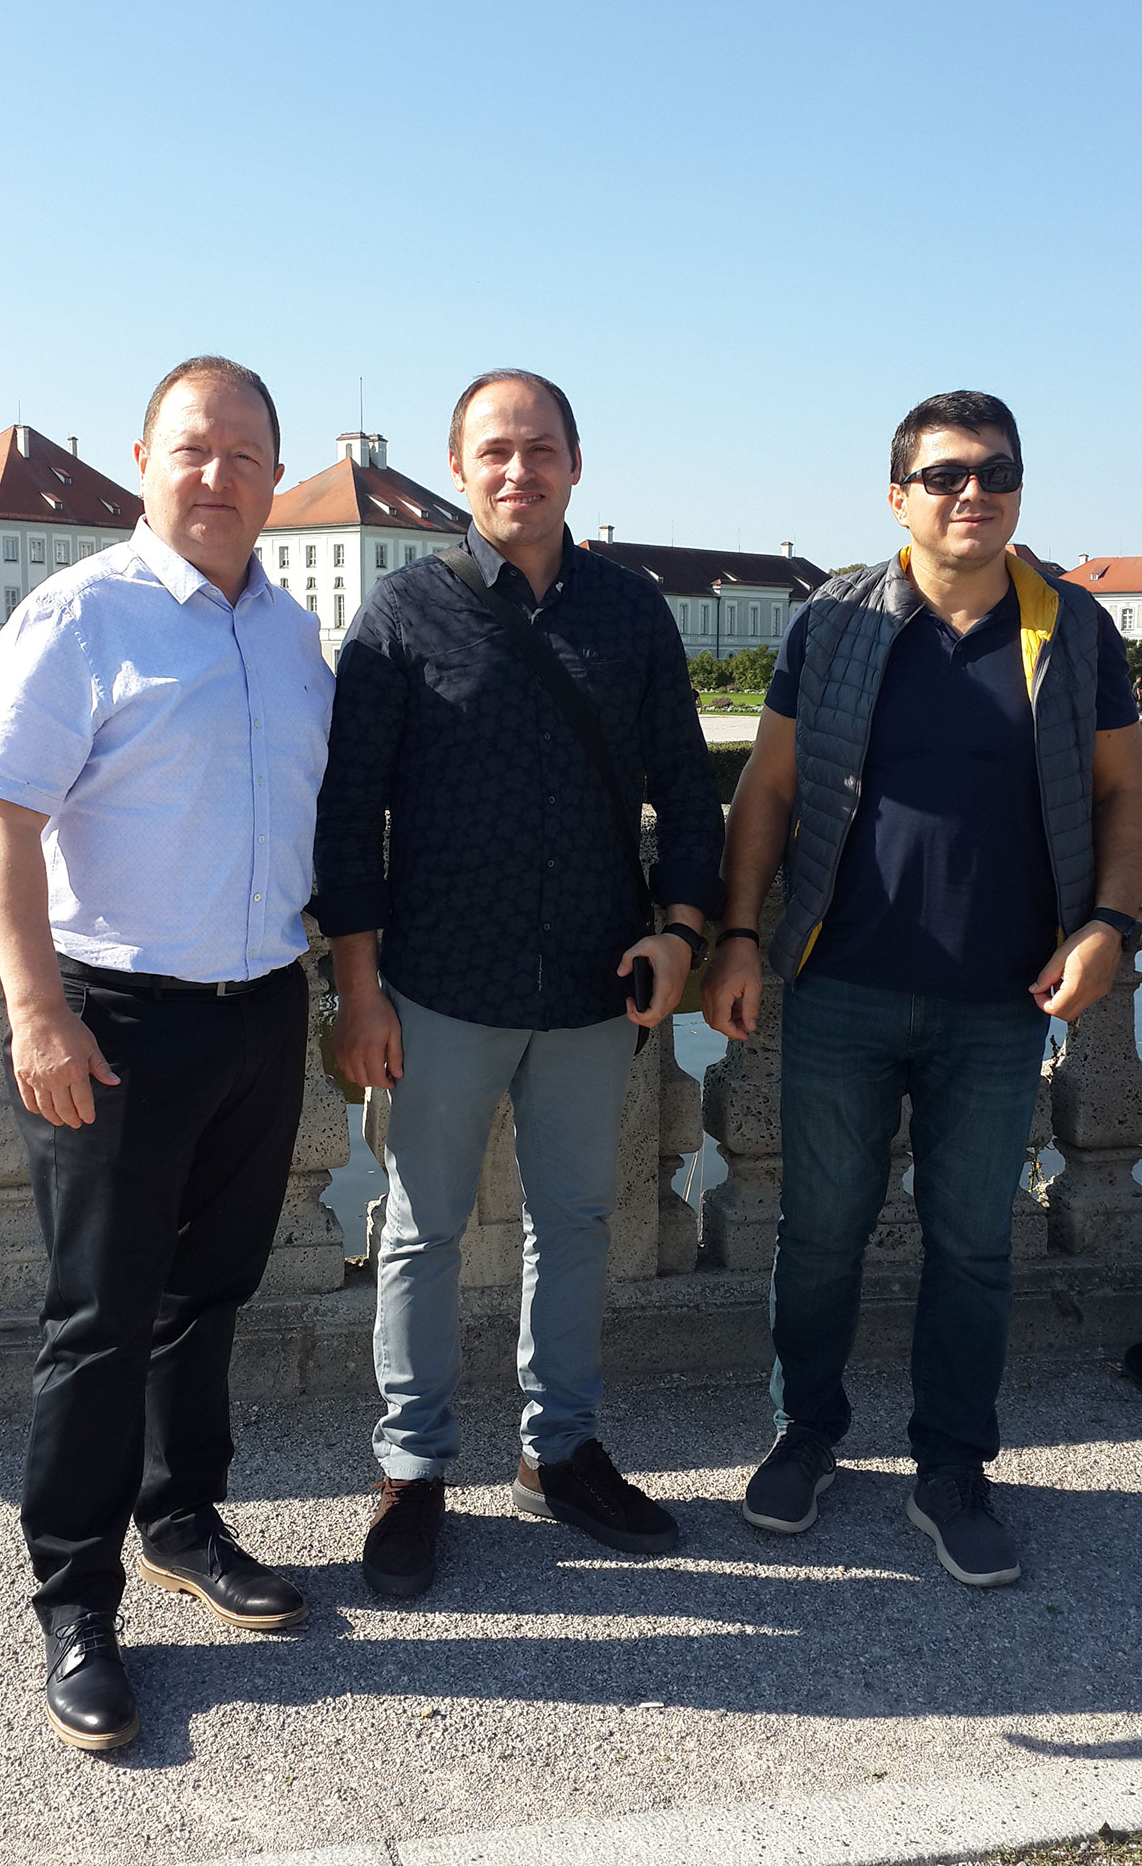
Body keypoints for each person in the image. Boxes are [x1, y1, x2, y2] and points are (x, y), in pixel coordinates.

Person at [701, 390, 1142, 1588]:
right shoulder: (835, 620)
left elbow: (1123, 791)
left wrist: (1110, 925)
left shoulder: (1071, 628)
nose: (972, 492)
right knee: (818, 1234)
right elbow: (768, 789)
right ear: (898, 498)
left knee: (973, 1245)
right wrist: (736, 934)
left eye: (995, 471)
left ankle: (952, 1466)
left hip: (1004, 996)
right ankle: (806, 1432)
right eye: (945, 475)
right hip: (840, 981)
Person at [0, 356, 334, 1750]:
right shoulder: (79, 615)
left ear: (275, 474)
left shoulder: (292, 634)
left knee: (208, 1292)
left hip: (259, 1006)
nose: (218, 475)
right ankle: (75, 1599)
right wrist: (36, 1013)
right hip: (111, 1018)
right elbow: (0, 816)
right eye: (194, 448)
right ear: (144, 460)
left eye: (246, 454)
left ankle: (182, 1520)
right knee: (99, 1321)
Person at [314, 368, 723, 1597]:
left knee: (577, 1223)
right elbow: (348, 817)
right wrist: (359, 987)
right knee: (420, 1232)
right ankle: (412, 1469)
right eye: (494, 450)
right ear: (459, 469)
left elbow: (686, 789)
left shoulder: (631, 612)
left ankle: (561, 1453)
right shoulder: (402, 613)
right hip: (440, 981)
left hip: (597, 980)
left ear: (575, 466)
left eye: (541, 449)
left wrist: (682, 931)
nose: (518, 470)